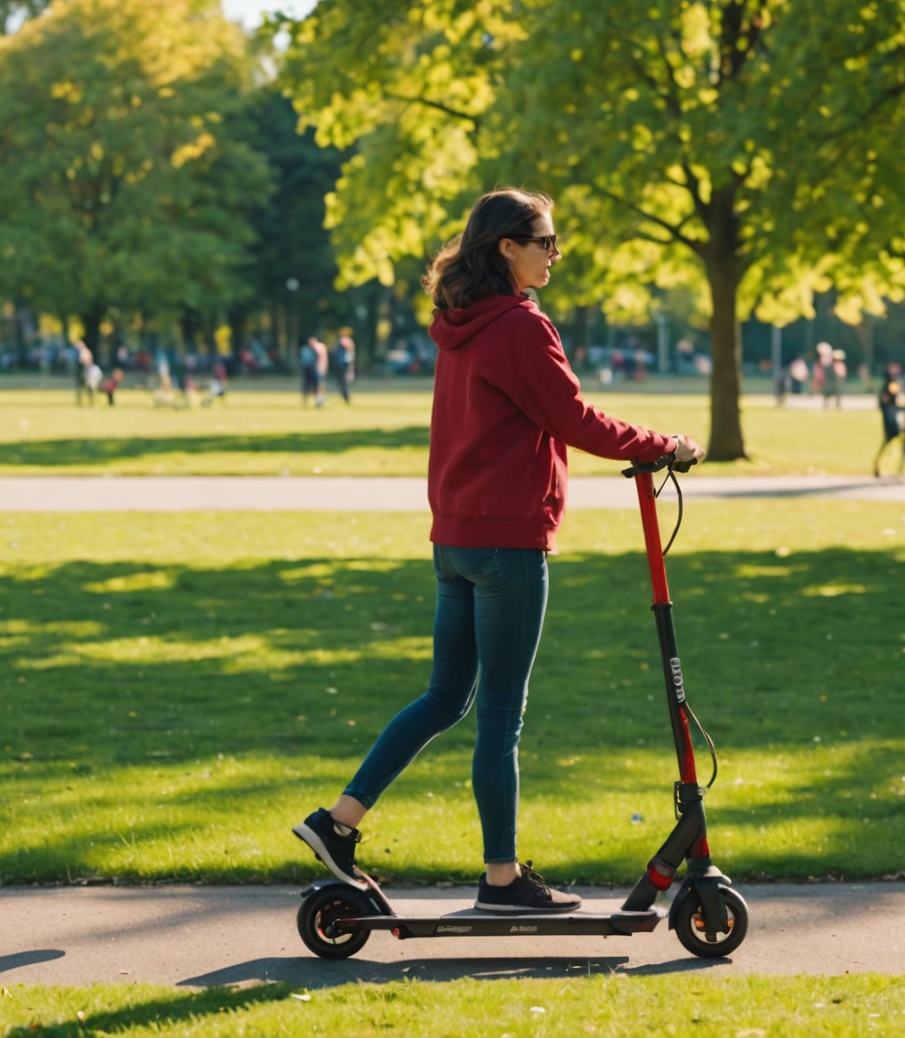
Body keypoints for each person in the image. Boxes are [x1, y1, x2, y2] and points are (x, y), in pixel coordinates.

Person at [291, 187, 704, 914]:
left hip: (454, 539)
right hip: (507, 543)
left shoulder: (460, 323)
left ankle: (337, 822)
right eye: (544, 241)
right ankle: (503, 881)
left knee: (444, 696)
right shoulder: (518, 325)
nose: (554, 253)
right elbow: (572, 416)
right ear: (507, 247)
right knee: (499, 718)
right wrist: (663, 445)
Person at [872, 362, 905, 477]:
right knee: (891, 442)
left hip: (890, 417)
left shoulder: (889, 384)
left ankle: (891, 466)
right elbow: (895, 400)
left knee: (890, 443)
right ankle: (897, 467)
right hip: (891, 418)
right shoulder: (890, 385)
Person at [335, 332, 357, 404]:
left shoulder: (346, 349)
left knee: (344, 382)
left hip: (345, 364)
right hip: (341, 365)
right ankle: (344, 395)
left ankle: (346, 396)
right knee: (341, 382)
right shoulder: (340, 349)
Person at [299, 336, 321, 407]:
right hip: (307, 370)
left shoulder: (317, 350)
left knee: (316, 387)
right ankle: (305, 402)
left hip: (314, 370)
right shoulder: (305, 350)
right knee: (306, 387)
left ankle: (317, 402)